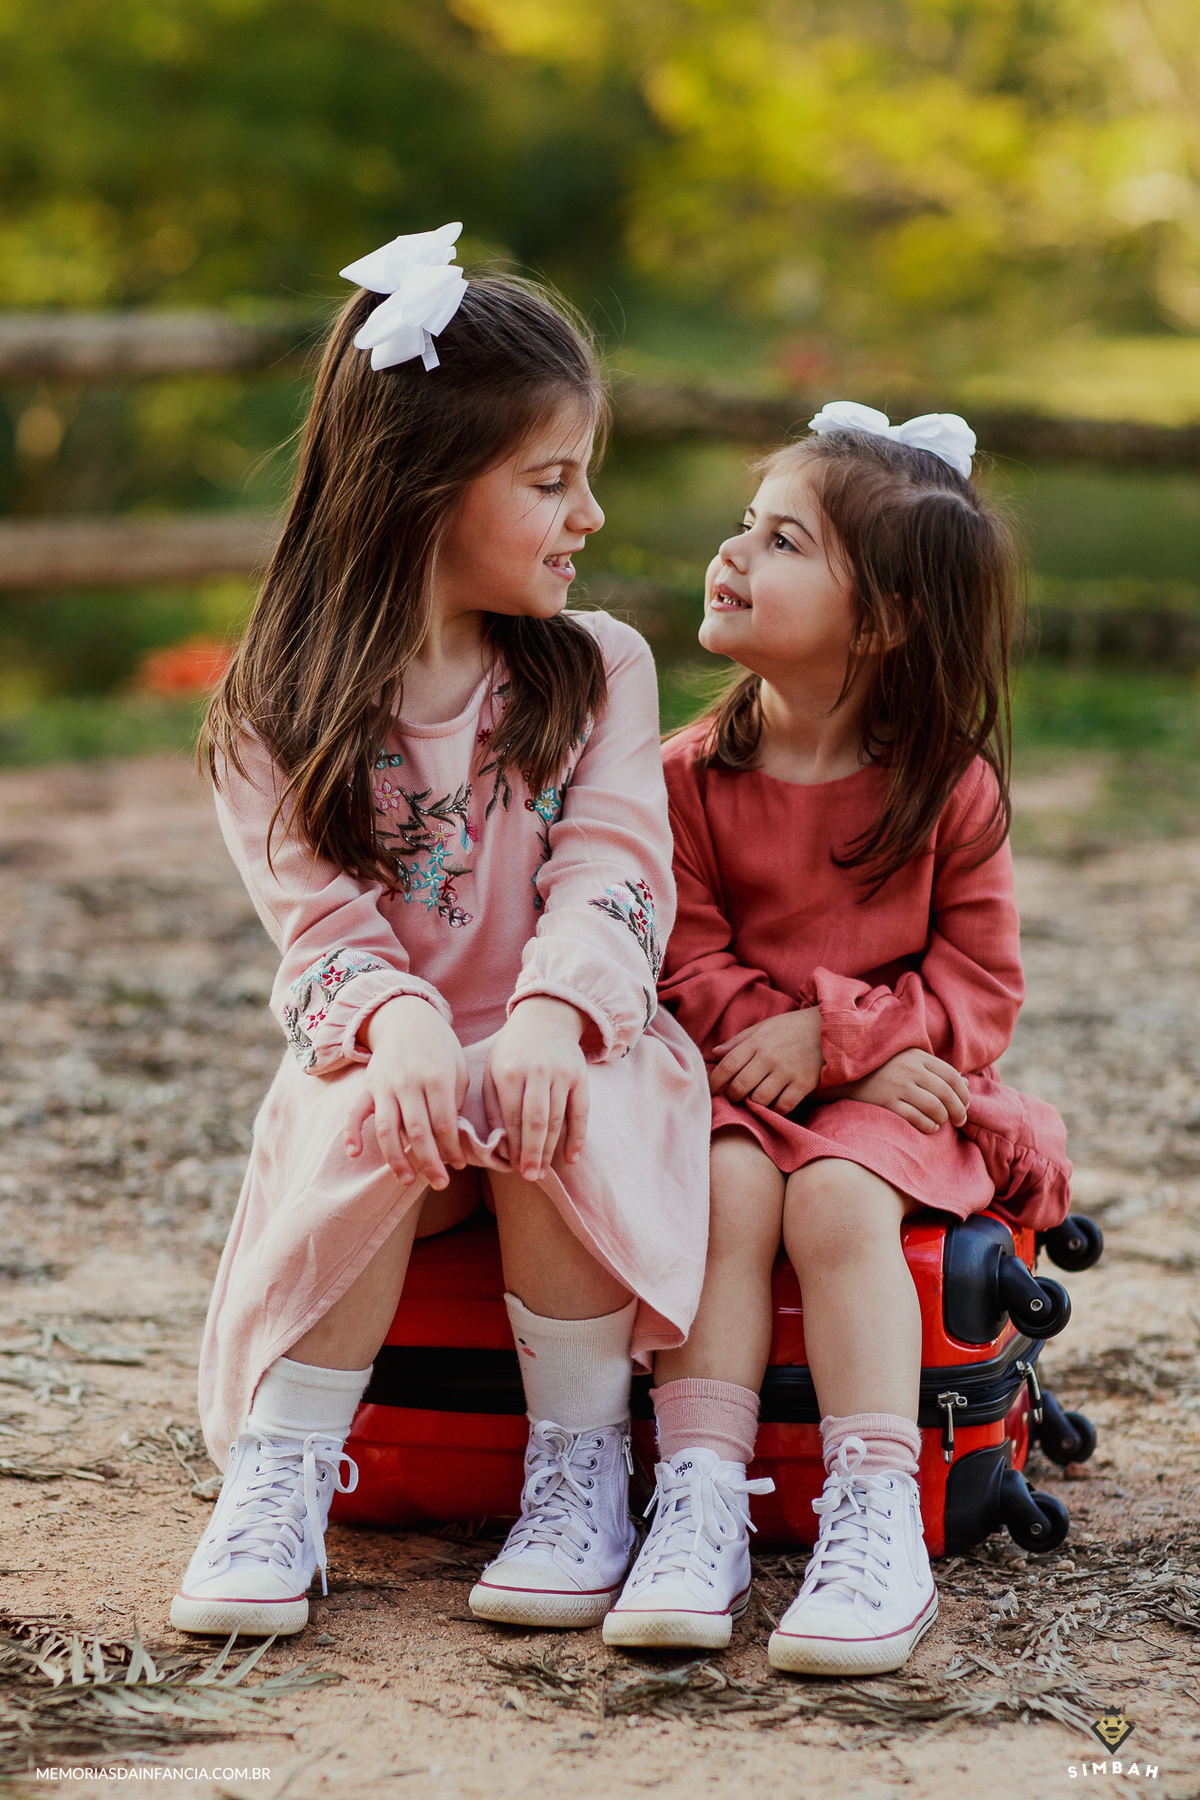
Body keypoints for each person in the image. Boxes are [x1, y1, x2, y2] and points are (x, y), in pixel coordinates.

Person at [170, 224, 710, 1639]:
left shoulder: (597, 668)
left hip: (568, 1044)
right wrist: (400, 1016)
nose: (590, 514)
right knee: (358, 1104)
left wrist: (549, 1011)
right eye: (550, 480)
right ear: (421, 485)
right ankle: (282, 1478)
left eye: (585, 475)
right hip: (391, 1061)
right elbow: (319, 927)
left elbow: (614, 872)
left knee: (560, 1092)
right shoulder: (272, 706)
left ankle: (579, 1477)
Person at [602, 402, 1071, 1674]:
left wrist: (841, 1044)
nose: (733, 552)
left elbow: (980, 985)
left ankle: (876, 1512)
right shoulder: (686, 778)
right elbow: (683, 962)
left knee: (838, 1198)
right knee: (728, 1185)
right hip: (736, 1079)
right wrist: (789, 1042)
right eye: (745, 524)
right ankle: (697, 1498)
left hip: (900, 1097)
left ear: (883, 622)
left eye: (784, 541)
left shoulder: (948, 785)